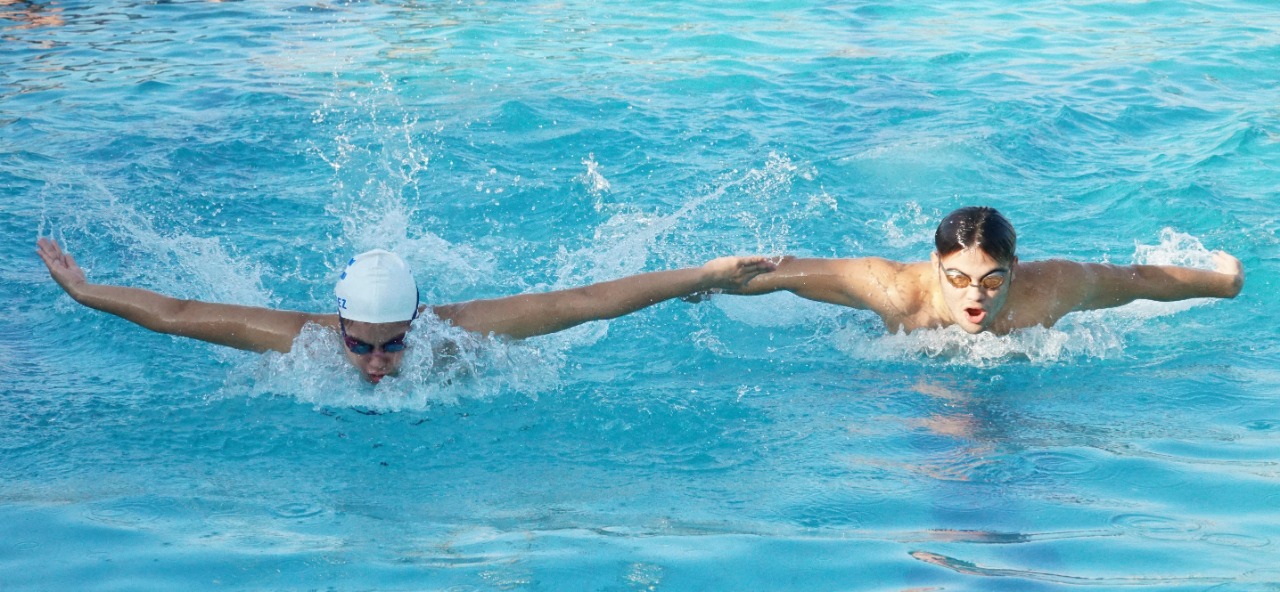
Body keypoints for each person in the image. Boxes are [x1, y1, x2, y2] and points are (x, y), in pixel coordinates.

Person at [37, 238, 775, 383]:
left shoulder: (456, 333)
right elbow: (177, 311)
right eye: (361, 348)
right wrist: (86, 291)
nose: (379, 362)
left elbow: (582, 304)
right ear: (339, 325)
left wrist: (701, 276)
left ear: (420, 319)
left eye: (394, 344)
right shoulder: (304, 339)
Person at [731, 206, 1243, 334]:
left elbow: (1139, 281)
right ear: (935, 266)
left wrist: (1225, 284)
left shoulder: (1050, 290)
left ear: (1015, 269)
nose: (975, 296)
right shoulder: (895, 292)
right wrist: (711, 283)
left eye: (992, 279)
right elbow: (793, 273)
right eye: (957, 278)